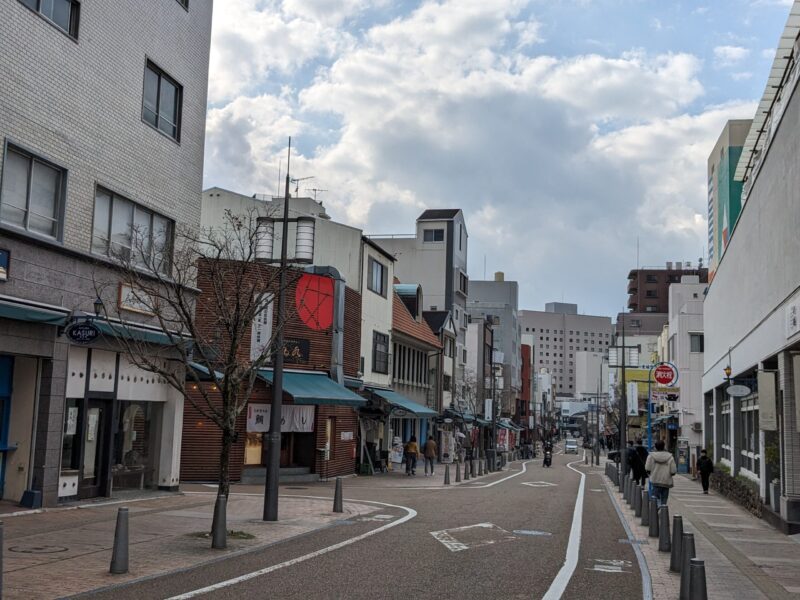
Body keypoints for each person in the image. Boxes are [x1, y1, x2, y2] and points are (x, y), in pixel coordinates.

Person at [645, 439, 677, 506]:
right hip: (666, 481)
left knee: (654, 499)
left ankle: (655, 512)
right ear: (664, 446)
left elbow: (647, 468)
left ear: (655, 447)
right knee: (664, 500)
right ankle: (662, 512)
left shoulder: (651, 456)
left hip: (655, 480)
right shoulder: (670, 457)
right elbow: (673, 471)